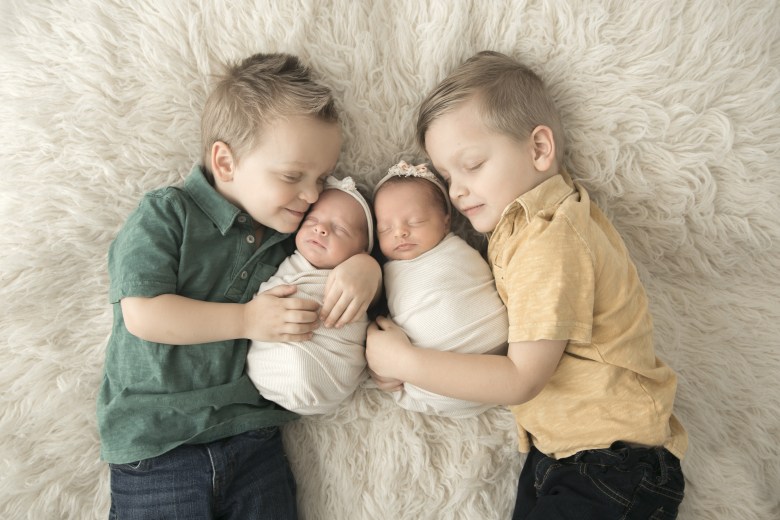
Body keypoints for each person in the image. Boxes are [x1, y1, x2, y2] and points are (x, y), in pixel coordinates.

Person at [365, 51, 688, 519]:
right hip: (566, 454)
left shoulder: (550, 240)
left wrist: (405, 361)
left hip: (611, 460)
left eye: (472, 164)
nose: (456, 191)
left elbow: (521, 378)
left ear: (539, 149)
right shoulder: (524, 228)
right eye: (448, 177)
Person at [97, 53, 381, 519]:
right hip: (157, 444)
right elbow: (144, 315)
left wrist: (366, 266)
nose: (312, 195)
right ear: (225, 163)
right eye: (293, 176)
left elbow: (338, 272)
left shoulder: (291, 234)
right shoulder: (167, 214)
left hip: (252, 437)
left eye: (320, 178)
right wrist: (248, 320)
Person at [369, 160, 508, 417]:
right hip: (434, 385)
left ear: (446, 222)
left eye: (416, 221)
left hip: (494, 356)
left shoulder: (459, 251)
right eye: (385, 228)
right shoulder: (384, 271)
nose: (399, 232)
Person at [247, 176, 374, 415]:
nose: (320, 228)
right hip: (269, 370)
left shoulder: (360, 277)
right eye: (312, 220)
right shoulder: (280, 261)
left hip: (333, 371)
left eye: (340, 229)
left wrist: (368, 265)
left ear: (362, 249)